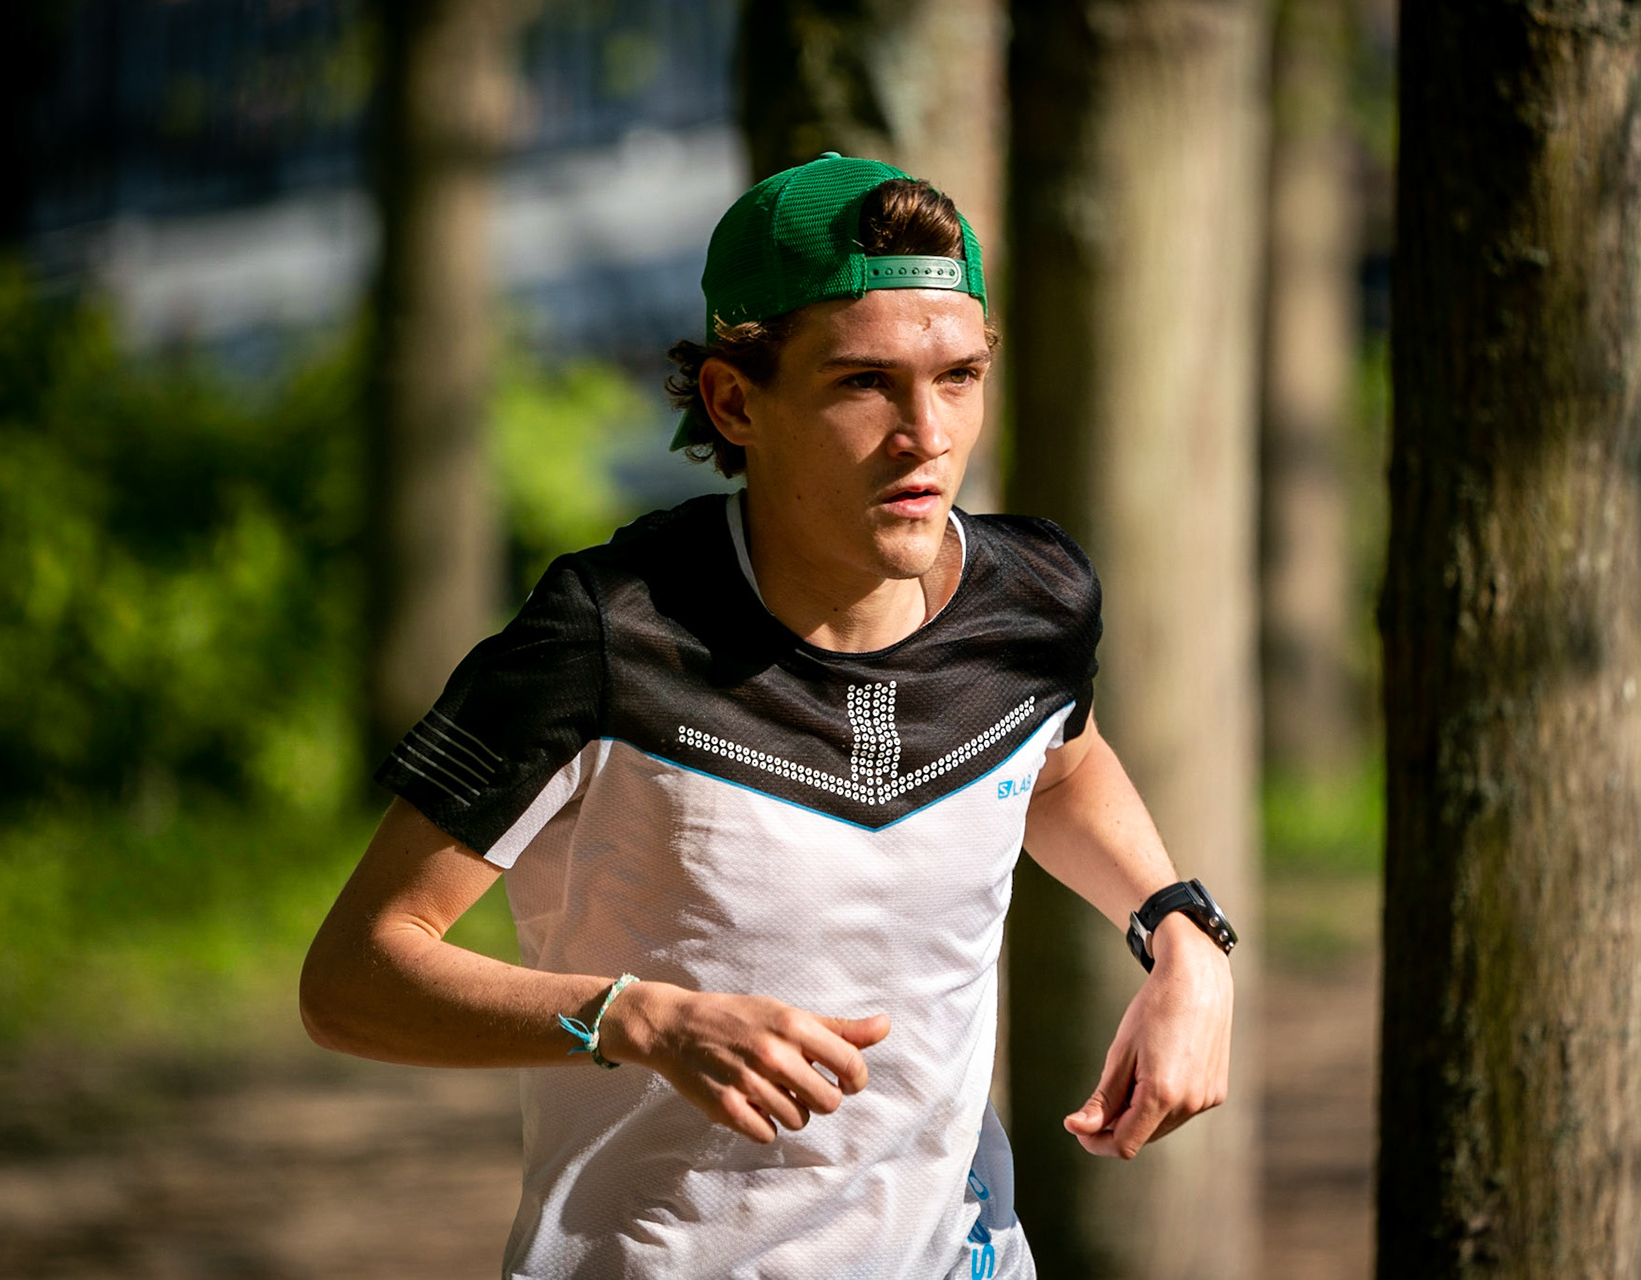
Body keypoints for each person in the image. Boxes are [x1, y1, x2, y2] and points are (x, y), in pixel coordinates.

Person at [300, 153, 1237, 1279]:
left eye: (958, 376)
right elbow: (353, 978)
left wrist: (1178, 932)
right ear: (735, 401)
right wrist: (639, 1021)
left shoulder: (1031, 602)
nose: (927, 433)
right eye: (864, 382)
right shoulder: (606, 638)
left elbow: (1059, 763)